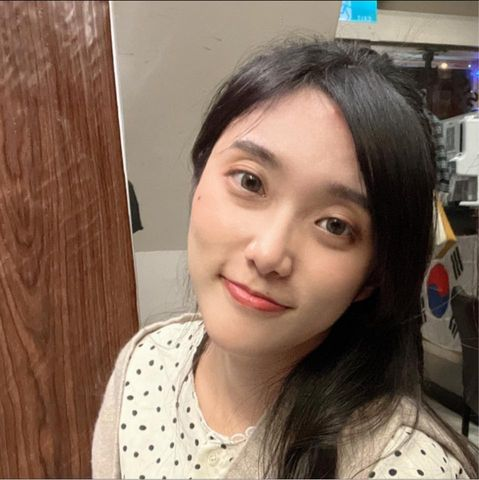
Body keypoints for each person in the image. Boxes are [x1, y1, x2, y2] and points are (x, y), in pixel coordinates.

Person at [92, 38, 478, 479]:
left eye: (335, 225)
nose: (269, 253)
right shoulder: (144, 363)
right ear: (200, 173)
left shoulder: (404, 468)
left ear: (373, 276)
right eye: (250, 182)